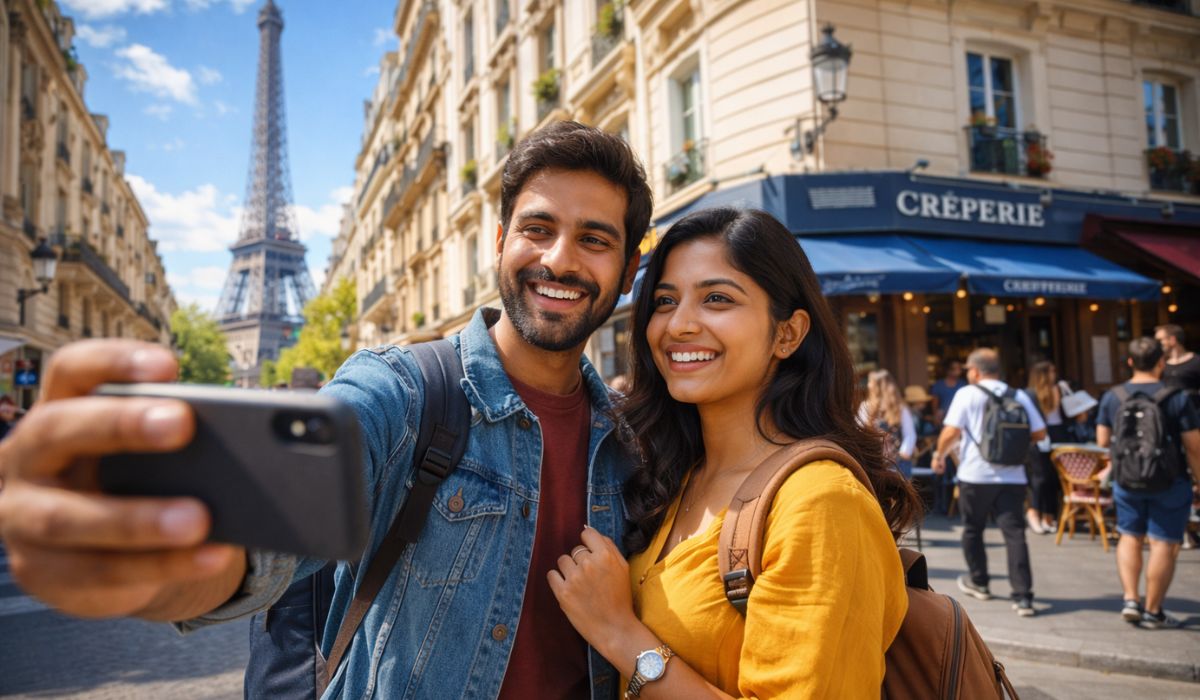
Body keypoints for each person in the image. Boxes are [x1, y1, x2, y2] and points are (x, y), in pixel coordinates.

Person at [0, 121, 654, 699]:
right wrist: (167, 566)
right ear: (499, 241)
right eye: (537, 229)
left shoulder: (628, 443)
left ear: (628, 270)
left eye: (594, 240)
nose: (558, 259)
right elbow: (270, 540)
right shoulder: (402, 392)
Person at [546, 208, 920, 697]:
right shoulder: (673, 476)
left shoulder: (822, 503)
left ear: (787, 333)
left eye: (717, 299)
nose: (678, 325)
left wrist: (619, 631)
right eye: (664, 300)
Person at [933, 348, 1047, 617]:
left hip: (975, 474)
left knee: (973, 529)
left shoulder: (967, 394)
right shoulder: (1018, 395)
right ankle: (1023, 597)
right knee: (1015, 534)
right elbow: (1040, 433)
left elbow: (951, 431)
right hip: (1013, 475)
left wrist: (939, 455)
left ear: (974, 370)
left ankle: (979, 582)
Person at [1096, 336, 1200, 629]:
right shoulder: (1176, 397)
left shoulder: (1112, 396)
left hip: (1127, 479)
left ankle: (1131, 599)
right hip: (1170, 479)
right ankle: (1154, 611)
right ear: (1161, 362)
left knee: (1129, 536)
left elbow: (1103, 440)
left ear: (1129, 362)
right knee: (1163, 543)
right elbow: (1193, 446)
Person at [1024, 361, 1084, 535]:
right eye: (1051, 371)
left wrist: (1068, 394)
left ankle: (1050, 516)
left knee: (1056, 477)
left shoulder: (1061, 388)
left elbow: (1075, 413)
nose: (1054, 374)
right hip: (1040, 435)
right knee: (1040, 477)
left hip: (1060, 433)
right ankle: (1034, 513)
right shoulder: (1031, 394)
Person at [859, 369, 918, 479]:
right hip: (874, 461)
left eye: (870, 382)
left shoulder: (900, 408)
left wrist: (902, 454)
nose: (868, 385)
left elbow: (909, 435)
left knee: (899, 494)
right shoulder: (866, 407)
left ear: (878, 385)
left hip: (898, 463)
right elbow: (859, 432)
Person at [1155, 324, 1200, 396]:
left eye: (1160, 340)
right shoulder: (1160, 364)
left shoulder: (1197, 361)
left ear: (1172, 340)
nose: (1157, 344)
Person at [930, 357, 966, 426]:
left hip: (960, 416)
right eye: (955, 369)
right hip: (943, 417)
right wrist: (936, 416)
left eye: (959, 368)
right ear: (947, 370)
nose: (958, 371)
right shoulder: (938, 385)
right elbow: (935, 403)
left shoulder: (963, 384)